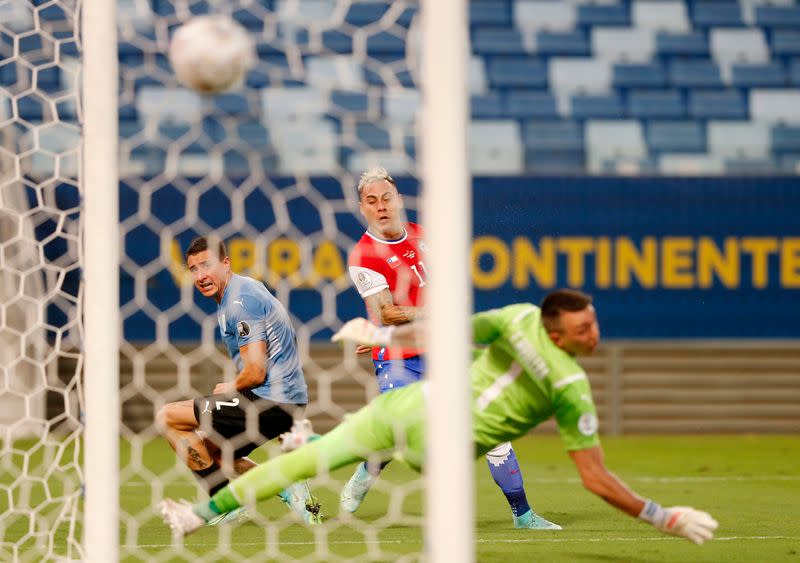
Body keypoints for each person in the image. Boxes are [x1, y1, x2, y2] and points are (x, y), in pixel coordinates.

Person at [159, 289, 718, 546]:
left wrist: (660, 516)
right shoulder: (537, 341)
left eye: (594, 325)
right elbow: (449, 329)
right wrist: (382, 334)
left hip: (434, 435)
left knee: (315, 455)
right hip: (414, 417)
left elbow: (594, 477)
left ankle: (336, 452)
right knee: (302, 462)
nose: (595, 335)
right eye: (584, 329)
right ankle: (197, 515)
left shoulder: (563, 377)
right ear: (554, 330)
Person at [342, 166, 551, 529]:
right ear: (363, 208)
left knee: (491, 425)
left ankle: (524, 515)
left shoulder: (426, 238)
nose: (381, 206)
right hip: (400, 356)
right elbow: (387, 312)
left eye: (386, 198)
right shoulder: (364, 254)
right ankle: (367, 469)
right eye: (371, 201)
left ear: (399, 200)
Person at [156, 236, 320, 526]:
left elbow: (255, 372)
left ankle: (222, 506)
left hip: (272, 400)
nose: (201, 276)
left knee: (168, 416)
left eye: (207, 265)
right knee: (209, 452)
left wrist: (230, 387)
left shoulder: (240, 300)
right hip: (282, 399)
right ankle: (284, 484)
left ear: (226, 263)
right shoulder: (239, 293)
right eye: (193, 269)